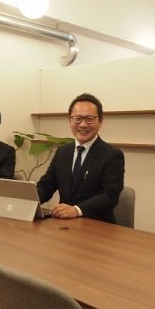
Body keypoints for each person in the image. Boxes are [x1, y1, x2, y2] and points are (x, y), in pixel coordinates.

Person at [37, 93, 124, 223]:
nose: (83, 125)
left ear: (100, 121)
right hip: (64, 225)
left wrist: (77, 210)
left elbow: (110, 195)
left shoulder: (112, 155)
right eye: (77, 119)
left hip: (97, 225)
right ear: (70, 120)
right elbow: (46, 186)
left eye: (89, 119)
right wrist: (28, 200)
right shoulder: (63, 152)